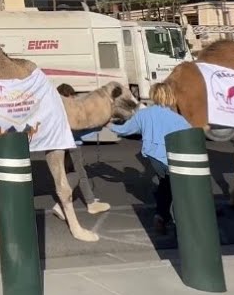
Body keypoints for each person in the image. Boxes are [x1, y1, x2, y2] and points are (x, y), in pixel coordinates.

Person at [108, 82, 191, 235]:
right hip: (174, 158)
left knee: (165, 185)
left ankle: (161, 216)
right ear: (170, 96)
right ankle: (179, 221)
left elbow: (125, 130)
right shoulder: (179, 120)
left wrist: (107, 125)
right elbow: (190, 138)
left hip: (155, 158)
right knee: (179, 189)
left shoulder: (144, 115)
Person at [53, 84, 111, 218]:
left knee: (74, 173)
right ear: (67, 96)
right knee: (79, 175)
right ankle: (63, 205)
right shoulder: (68, 111)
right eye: (72, 96)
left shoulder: (57, 109)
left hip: (61, 147)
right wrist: (97, 127)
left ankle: (90, 202)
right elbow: (78, 132)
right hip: (73, 146)